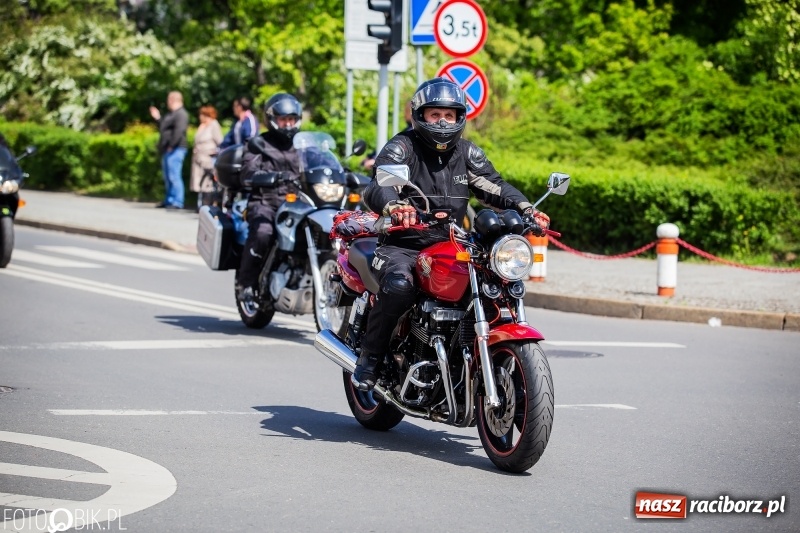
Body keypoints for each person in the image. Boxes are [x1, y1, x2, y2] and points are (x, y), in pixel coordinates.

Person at [352, 78, 551, 390]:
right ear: (420, 115)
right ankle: (370, 358)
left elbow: (493, 185)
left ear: (460, 117)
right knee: (400, 285)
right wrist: (395, 205)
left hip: (453, 244)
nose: (442, 122)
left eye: (449, 115)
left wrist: (527, 208)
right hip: (403, 245)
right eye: (434, 115)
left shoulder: (467, 153)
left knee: (493, 283)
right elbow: (378, 185)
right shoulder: (402, 147)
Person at [236, 93, 303, 302]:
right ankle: (246, 283)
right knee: (263, 232)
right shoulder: (259, 144)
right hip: (266, 202)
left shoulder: (302, 145)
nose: (288, 124)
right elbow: (247, 174)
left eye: (292, 119)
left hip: (297, 204)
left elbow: (319, 163)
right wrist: (271, 177)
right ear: (272, 119)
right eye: (284, 120)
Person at [150, 91, 189, 210]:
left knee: (174, 175)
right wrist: (158, 118)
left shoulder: (181, 114)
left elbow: (179, 131)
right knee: (167, 176)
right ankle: (169, 200)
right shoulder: (171, 114)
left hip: (176, 148)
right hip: (168, 149)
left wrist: (172, 144)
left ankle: (177, 201)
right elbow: (164, 127)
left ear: (172, 99)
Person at [190, 105, 223, 209]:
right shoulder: (202, 126)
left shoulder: (214, 125)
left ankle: (207, 204)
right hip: (198, 158)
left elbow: (220, 141)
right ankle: (201, 205)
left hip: (208, 158)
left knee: (207, 184)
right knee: (200, 182)